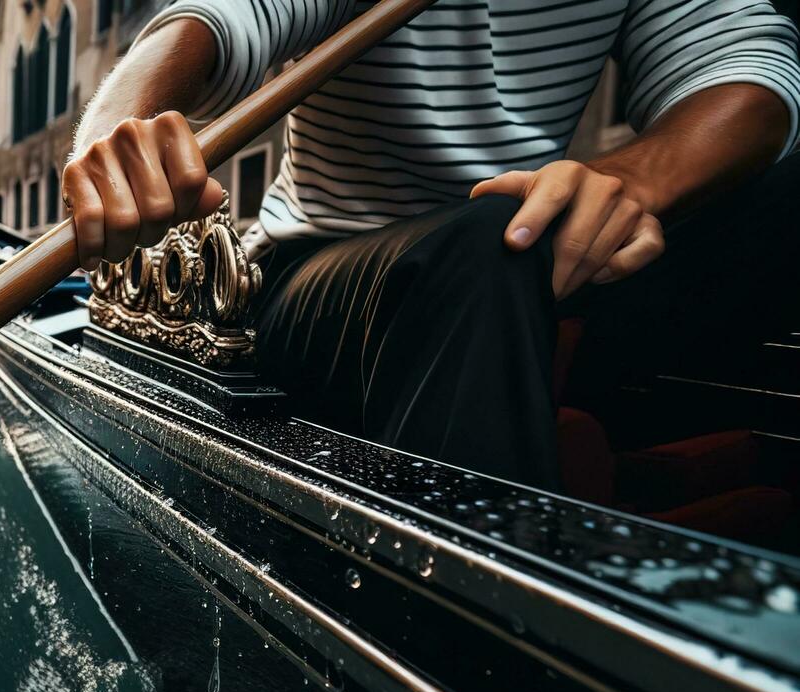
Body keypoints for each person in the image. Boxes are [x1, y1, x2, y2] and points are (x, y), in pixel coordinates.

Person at [63, 0, 800, 489]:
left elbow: (744, 70)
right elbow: (222, 17)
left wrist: (628, 180)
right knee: (490, 243)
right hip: (316, 275)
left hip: (534, 258)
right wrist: (111, 136)